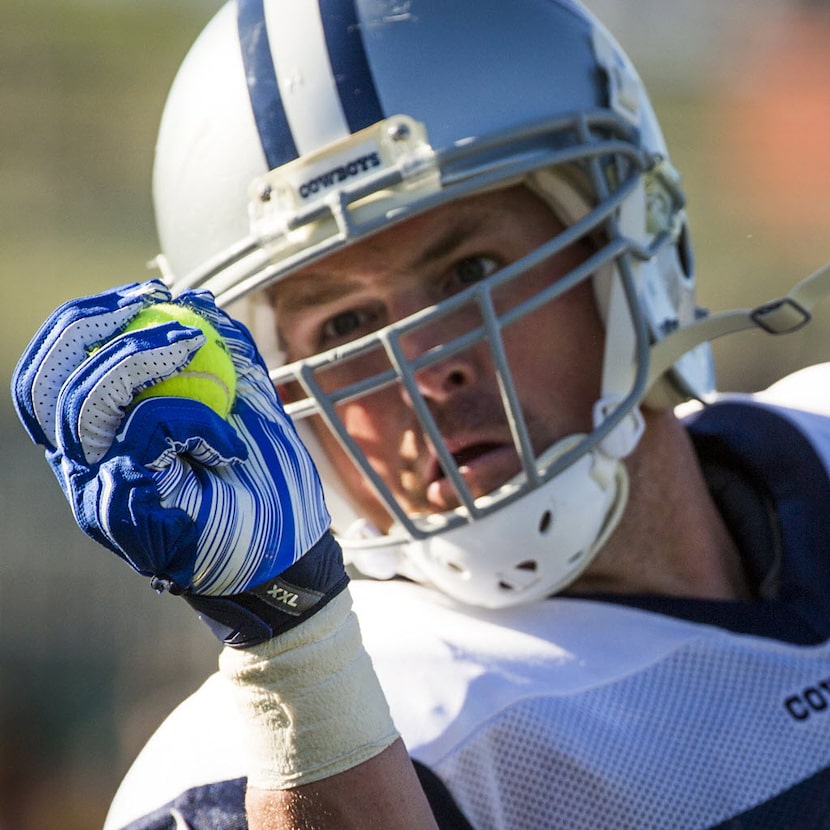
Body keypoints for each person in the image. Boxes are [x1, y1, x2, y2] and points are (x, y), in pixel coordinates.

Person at [11, 0, 830, 828]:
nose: (430, 370)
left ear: (635, 246)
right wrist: (299, 670)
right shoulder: (286, 755)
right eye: (345, 326)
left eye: (469, 270)